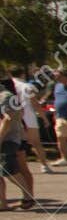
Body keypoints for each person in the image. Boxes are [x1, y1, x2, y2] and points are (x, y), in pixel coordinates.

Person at [0, 75, 38, 210]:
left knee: (9, 170)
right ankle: (2, 203)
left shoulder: (5, 96)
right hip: (7, 137)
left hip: (8, 138)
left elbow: (7, 119)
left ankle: (28, 196)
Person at [9, 67, 55, 175]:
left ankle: (16, 166)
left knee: (15, 142)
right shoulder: (27, 86)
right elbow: (35, 104)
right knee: (36, 143)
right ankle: (44, 165)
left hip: (12, 118)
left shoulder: (8, 86)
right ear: (22, 74)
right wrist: (44, 118)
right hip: (28, 118)